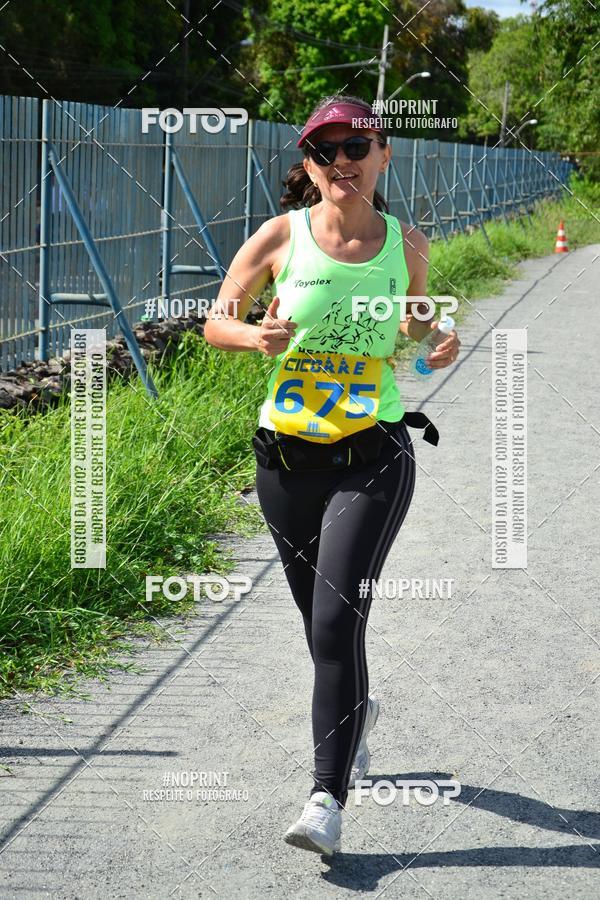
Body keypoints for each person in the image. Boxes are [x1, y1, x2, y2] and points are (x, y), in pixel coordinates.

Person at [203, 93, 461, 856]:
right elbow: (216, 320)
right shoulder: (279, 236)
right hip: (285, 461)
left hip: (372, 455)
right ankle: (356, 714)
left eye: (356, 146)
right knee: (324, 634)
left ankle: (326, 800)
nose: (342, 161)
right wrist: (255, 338)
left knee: (334, 623)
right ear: (309, 166)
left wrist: (436, 337)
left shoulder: (405, 243)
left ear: (384, 154)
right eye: (326, 150)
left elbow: (415, 318)